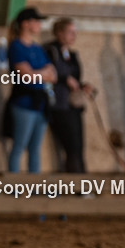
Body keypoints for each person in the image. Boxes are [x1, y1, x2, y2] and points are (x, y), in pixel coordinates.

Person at [6, 7, 57, 175]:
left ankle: (34, 188)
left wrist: (39, 74)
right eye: (36, 21)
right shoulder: (17, 47)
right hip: (24, 103)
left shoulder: (37, 48)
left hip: (40, 103)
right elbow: (27, 76)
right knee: (20, 145)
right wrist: (42, 74)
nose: (39, 25)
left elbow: (52, 73)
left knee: (35, 148)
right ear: (26, 24)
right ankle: (14, 187)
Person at [44, 18, 94, 174]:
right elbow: (49, 74)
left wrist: (82, 85)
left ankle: (82, 183)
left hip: (73, 104)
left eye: (75, 33)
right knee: (71, 146)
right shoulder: (50, 51)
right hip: (58, 104)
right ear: (59, 33)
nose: (73, 36)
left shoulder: (71, 54)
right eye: (70, 32)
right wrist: (65, 79)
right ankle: (77, 184)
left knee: (78, 146)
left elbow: (75, 78)